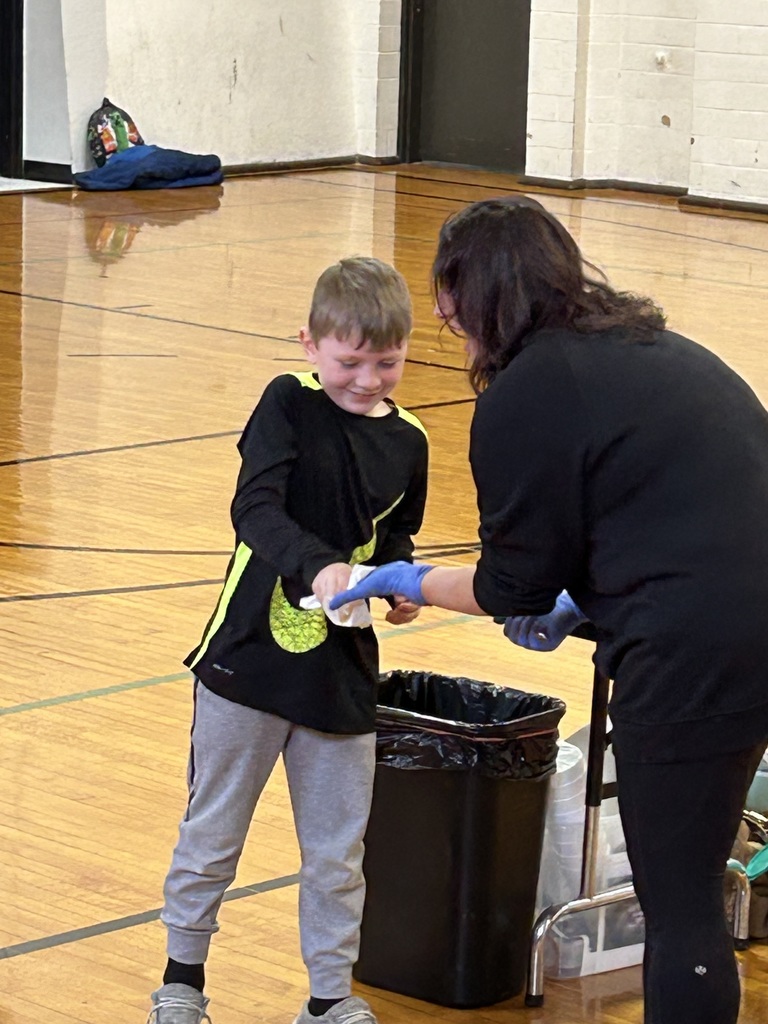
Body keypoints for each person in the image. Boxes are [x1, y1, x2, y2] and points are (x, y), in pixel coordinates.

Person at [330, 196, 768, 1024]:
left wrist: (409, 580)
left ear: (480, 296)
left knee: (682, 906)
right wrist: (589, 599)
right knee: (702, 878)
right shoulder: (656, 349)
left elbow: (511, 589)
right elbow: (676, 513)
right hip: (735, 619)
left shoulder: (527, 393)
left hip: (697, 649)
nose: (445, 322)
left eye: (451, 306)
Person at [147, 256, 428, 1024]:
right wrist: (322, 565)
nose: (369, 379)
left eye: (388, 362)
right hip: (246, 664)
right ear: (309, 344)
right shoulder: (286, 404)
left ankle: (329, 998)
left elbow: (395, 536)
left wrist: (396, 584)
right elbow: (255, 509)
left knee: (338, 854)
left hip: (340, 676)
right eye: (350, 361)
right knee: (213, 836)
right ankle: (182, 982)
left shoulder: (410, 440)